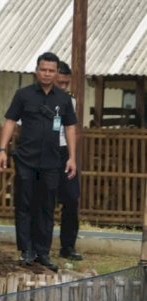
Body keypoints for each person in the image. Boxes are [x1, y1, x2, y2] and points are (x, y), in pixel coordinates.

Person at [0, 52, 77, 272]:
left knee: (46, 206)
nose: (47, 74)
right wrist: (2, 150)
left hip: (52, 161)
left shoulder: (63, 99)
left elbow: (70, 127)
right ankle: (26, 250)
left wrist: (72, 157)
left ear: (56, 72)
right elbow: (10, 121)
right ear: (36, 70)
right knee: (24, 204)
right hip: (26, 159)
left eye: (51, 70)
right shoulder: (23, 95)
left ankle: (43, 252)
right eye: (43, 69)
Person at [53, 61, 83, 261]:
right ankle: (38, 246)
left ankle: (68, 246)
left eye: (66, 83)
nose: (63, 87)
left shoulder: (69, 101)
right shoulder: (33, 97)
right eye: (60, 83)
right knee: (43, 201)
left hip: (64, 152)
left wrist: (72, 156)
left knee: (72, 198)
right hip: (42, 151)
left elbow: (71, 128)